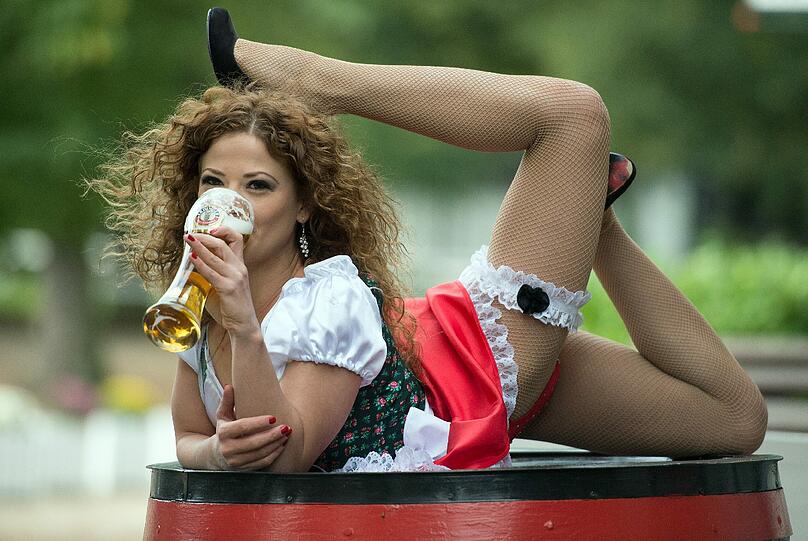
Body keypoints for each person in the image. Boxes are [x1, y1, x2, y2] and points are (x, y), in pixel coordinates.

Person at [87, 8, 767, 473]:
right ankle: (591, 210)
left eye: (258, 185)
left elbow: (285, 453)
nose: (227, 202)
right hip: (438, 372)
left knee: (572, 114)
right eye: (212, 182)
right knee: (733, 421)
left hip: (482, 359)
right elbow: (195, 437)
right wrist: (212, 453)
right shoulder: (194, 310)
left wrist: (242, 321)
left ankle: (323, 82)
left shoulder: (328, 301)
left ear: (304, 206)